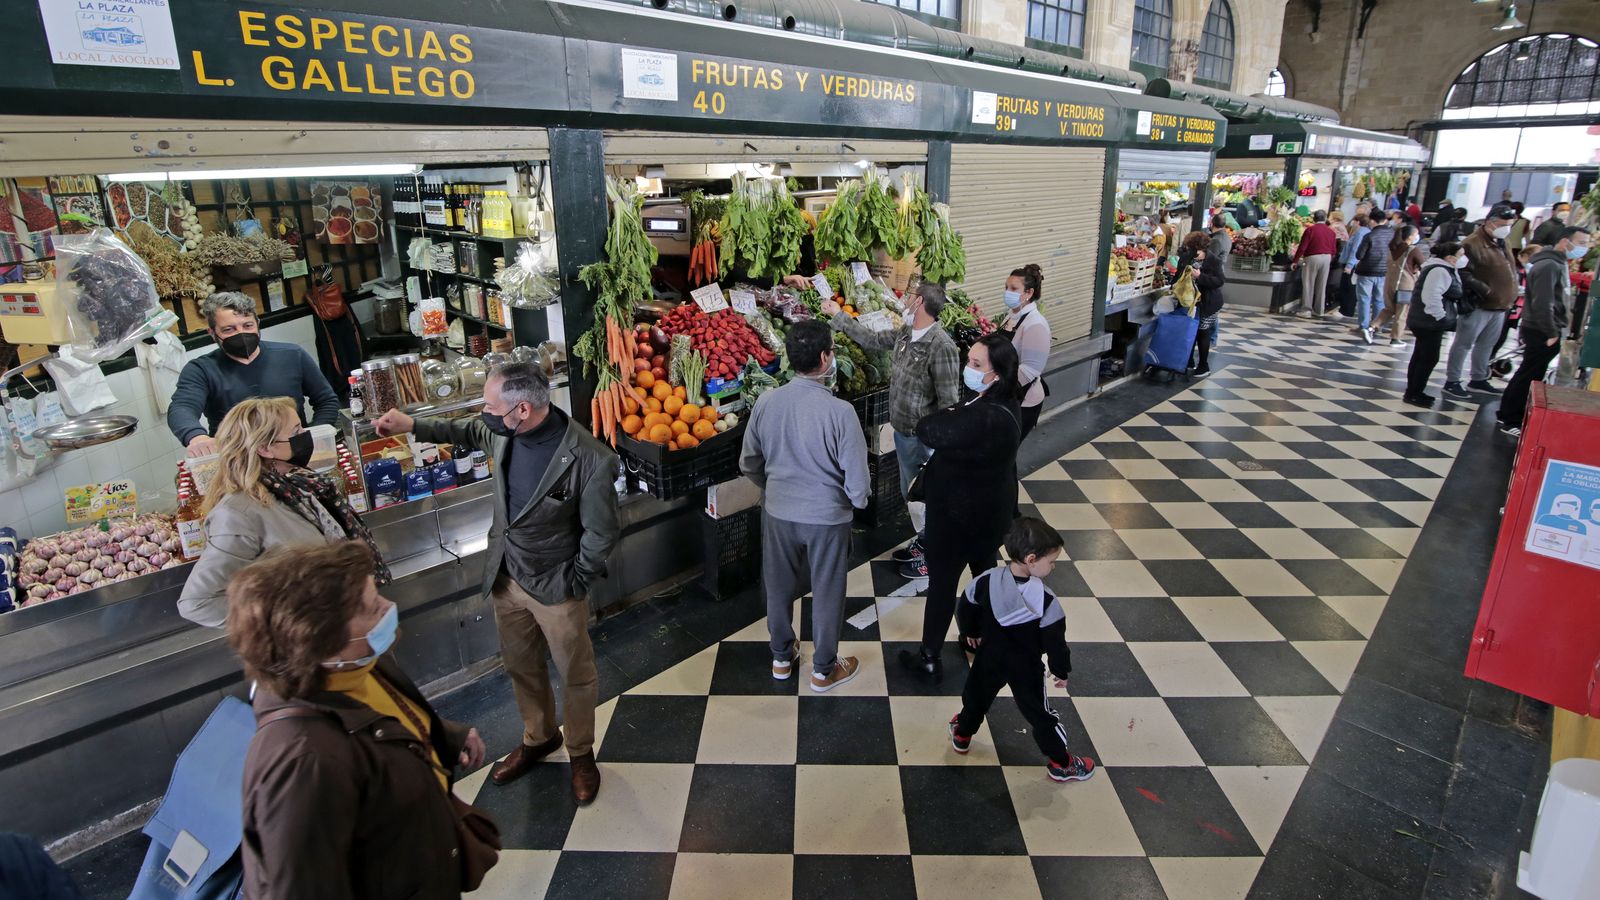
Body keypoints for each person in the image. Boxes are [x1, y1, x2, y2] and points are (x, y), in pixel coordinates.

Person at [372, 362, 617, 803]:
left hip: (557, 586)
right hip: (506, 578)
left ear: (523, 409)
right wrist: (412, 424)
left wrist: (576, 580)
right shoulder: (501, 431)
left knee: (575, 675)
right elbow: (462, 430)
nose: (484, 412)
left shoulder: (590, 459)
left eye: (490, 405)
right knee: (521, 665)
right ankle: (539, 737)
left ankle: (581, 752)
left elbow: (600, 532)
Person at [230, 541, 491, 900]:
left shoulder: (357, 666)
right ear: (320, 640)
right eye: (371, 609)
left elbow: (384, 719)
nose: (388, 609)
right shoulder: (303, 765)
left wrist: (447, 736)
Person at [177, 397, 388, 627]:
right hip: (310, 645)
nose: (304, 435)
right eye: (296, 430)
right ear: (265, 448)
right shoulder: (238, 513)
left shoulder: (298, 484)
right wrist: (288, 619)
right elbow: (197, 603)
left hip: (345, 626)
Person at [740, 320, 869, 691]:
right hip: (827, 518)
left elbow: (748, 461)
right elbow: (858, 483)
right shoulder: (841, 413)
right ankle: (823, 670)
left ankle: (782, 657)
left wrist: (774, 489)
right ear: (826, 357)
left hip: (778, 513)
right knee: (827, 590)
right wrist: (852, 502)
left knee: (778, 586)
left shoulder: (766, 402)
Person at [899, 335, 1023, 683]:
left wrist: (951, 411)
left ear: (996, 374)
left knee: (942, 587)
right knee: (985, 579)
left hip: (956, 520)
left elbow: (928, 429)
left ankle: (928, 656)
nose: (967, 368)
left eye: (976, 365)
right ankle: (979, 636)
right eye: (968, 360)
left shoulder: (980, 416)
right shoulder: (1009, 405)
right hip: (992, 516)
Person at [824, 283, 960, 579]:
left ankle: (934, 553)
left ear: (920, 302)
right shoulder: (906, 334)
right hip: (903, 432)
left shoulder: (942, 346)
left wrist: (938, 447)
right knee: (910, 493)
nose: (905, 299)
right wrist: (839, 316)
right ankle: (925, 540)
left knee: (925, 496)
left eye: (910, 296)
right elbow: (871, 340)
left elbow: (949, 403)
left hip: (923, 438)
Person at [949, 517, 1095, 784]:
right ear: (1030, 559)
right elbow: (1056, 642)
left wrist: (971, 632)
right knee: (1040, 714)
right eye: (1051, 561)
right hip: (1025, 666)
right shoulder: (1046, 601)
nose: (1053, 566)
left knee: (976, 698)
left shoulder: (986, 580)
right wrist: (1060, 670)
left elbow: (966, 606)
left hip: (989, 656)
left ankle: (962, 733)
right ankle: (1062, 764)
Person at [168, 292, 340, 457]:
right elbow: (182, 408)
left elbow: (326, 400)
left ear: (257, 323)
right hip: (236, 461)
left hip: (294, 452)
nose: (241, 333)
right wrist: (196, 436)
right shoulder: (200, 370)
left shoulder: (293, 354)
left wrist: (316, 434)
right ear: (212, 334)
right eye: (229, 329)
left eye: (247, 325)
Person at [1498, 226, 1589, 436]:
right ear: (1565, 242)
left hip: (1548, 327)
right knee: (1529, 374)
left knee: (1530, 372)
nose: (1584, 248)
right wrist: (1551, 332)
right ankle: (1512, 418)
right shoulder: (1549, 265)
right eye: (1582, 243)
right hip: (1542, 329)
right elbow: (1543, 302)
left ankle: (1507, 414)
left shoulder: (1557, 263)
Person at [1443, 204, 1521, 401]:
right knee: (1464, 342)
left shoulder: (1504, 242)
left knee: (1487, 344)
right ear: (1490, 222)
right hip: (1479, 303)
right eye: (1503, 224)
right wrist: (1485, 289)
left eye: (1510, 224)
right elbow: (1462, 271)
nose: (1507, 228)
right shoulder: (1472, 243)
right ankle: (1452, 380)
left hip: (1500, 304)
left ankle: (1478, 378)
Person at [1403, 241, 1467, 408]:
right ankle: (1414, 393)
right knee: (1428, 357)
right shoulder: (1439, 270)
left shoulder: (1441, 268)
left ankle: (1414, 391)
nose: (1463, 259)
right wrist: (1441, 316)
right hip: (1428, 321)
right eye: (1460, 255)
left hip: (1425, 320)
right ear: (1449, 257)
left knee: (1421, 356)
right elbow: (1431, 296)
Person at [999, 264, 1052, 439]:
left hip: (1022, 400)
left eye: (1014, 289)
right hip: (1005, 396)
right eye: (1007, 287)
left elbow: (1029, 370)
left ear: (1028, 293)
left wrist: (997, 388)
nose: (1008, 292)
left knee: (1005, 452)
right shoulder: (1011, 315)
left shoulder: (1035, 324)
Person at [1176, 231, 1226, 377]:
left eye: (1194, 250)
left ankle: (1203, 366)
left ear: (1202, 249)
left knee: (1202, 332)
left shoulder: (1214, 261)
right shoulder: (1186, 258)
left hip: (1210, 303)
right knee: (1190, 330)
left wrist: (1200, 277)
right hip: (1191, 302)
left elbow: (1219, 281)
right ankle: (1188, 361)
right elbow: (1178, 276)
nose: (1192, 253)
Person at [1372, 225, 1425, 347]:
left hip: (1390, 282)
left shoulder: (1393, 248)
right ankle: (1395, 338)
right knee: (1402, 312)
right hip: (1405, 285)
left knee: (1389, 309)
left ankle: (1372, 326)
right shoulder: (1412, 249)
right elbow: (1424, 264)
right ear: (1411, 236)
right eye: (1416, 234)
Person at [1351, 211, 1395, 344]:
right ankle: (1376, 325)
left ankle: (1363, 325)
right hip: (1384, 271)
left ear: (1372, 221)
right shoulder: (1392, 235)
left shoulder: (1370, 235)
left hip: (1367, 271)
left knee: (1364, 299)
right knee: (1379, 300)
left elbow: (1359, 255)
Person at [1292, 210, 1338, 318]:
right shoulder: (1331, 232)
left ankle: (1306, 310)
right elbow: (1334, 250)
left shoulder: (1310, 230)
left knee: (1308, 283)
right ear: (1325, 218)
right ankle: (1319, 310)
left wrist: (1295, 260)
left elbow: (1303, 246)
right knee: (1322, 285)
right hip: (1327, 257)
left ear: (1314, 218)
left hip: (1312, 257)